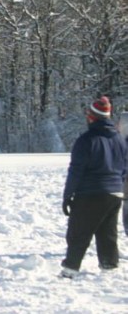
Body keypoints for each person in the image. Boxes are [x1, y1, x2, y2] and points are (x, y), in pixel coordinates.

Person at [60, 96, 128, 278]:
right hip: (115, 192)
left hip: (91, 192)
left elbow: (76, 170)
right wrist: (118, 185)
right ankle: (109, 267)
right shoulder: (119, 139)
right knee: (108, 232)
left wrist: (67, 195)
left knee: (79, 231)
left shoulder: (86, 140)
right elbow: (124, 167)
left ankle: (70, 269)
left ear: (92, 116)